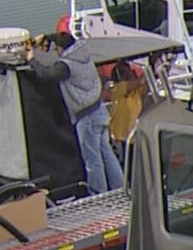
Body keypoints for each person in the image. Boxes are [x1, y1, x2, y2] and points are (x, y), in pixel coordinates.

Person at [29, 32, 125, 193]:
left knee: (92, 160)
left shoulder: (66, 65)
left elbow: (46, 75)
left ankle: (98, 194)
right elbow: (64, 38)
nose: (56, 52)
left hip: (87, 117)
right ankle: (121, 188)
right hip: (99, 109)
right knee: (107, 154)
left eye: (56, 49)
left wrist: (31, 59)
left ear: (61, 48)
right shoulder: (83, 52)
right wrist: (46, 37)